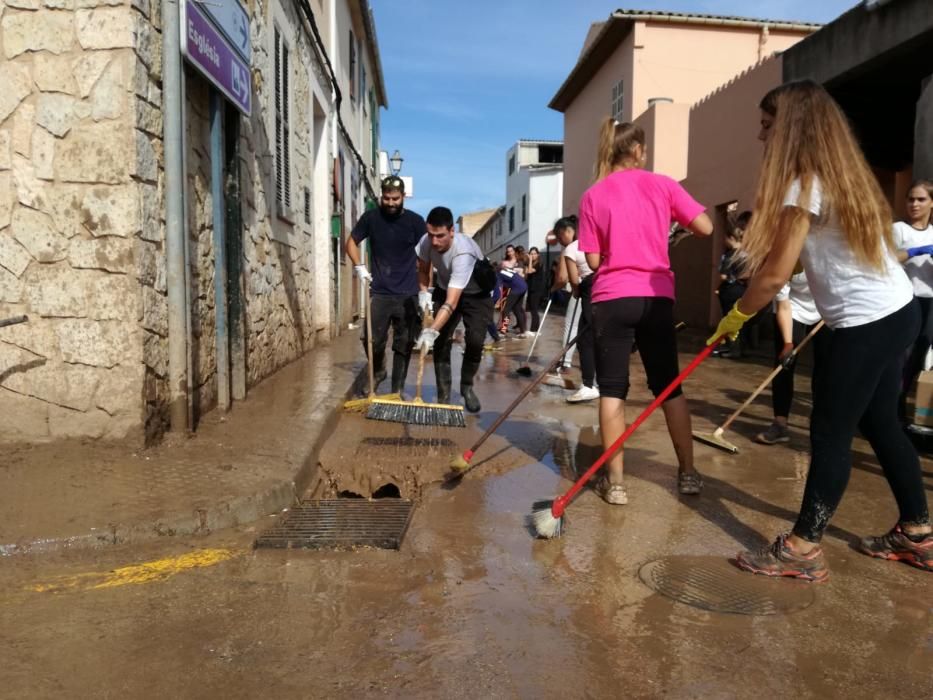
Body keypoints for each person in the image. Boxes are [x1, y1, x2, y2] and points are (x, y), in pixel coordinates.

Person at [710, 80, 931, 581]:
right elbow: (787, 266)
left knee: (829, 432)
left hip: (866, 323)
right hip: (897, 313)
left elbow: (774, 274)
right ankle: (918, 533)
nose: (762, 136)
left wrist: (737, 318)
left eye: (768, 126)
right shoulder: (841, 177)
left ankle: (803, 547)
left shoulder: (804, 183)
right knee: (879, 424)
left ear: (790, 129)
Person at [578, 119, 712, 506]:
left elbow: (591, 257)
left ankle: (616, 483)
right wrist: (670, 231)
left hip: (612, 297)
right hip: (655, 296)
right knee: (669, 385)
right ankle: (687, 472)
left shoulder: (594, 195)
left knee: (612, 388)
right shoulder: (664, 184)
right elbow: (703, 225)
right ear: (636, 150)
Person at [345, 176, 425, 395]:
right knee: (371, 339)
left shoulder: (415, 222)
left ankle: (397, 389)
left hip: (408, 293)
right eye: (387, 198)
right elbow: (351, 242)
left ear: (403, 197)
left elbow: (427, 255)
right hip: (380, 291)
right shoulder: (371, 218)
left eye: (395, 199)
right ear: (382, 195)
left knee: (404, 342)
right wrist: (359, 267)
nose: (390, 203)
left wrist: (427, 291)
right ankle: (379, 370)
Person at [414, 207, 494, 413]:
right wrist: (424, 292)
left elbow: (452, 302)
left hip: (476, 294)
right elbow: (423, 269)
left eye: (440, 236)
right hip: (444, 286)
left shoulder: (463, 252)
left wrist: (431, 330)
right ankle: (443, 396)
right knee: (441, 342)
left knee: (476, 341)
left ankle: (467, 388)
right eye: (431, 235)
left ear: (452, 231)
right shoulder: (426, 241)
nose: (434, 241)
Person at [754, 271, 828, 445]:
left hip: (827, 307)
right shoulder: (786, 263)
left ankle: (823, 426)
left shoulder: (828, 255)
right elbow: (783, 306)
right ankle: (780, 424)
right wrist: (788, 344)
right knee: (784, 365)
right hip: (792, 308)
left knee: (827, 368)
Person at [892, 180, 933, 421]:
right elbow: (884, 260)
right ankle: (894, 413)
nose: (914, 204)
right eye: (910, 199)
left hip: (930, 302)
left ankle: (902, 406)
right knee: (901, 357)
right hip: (905, 300)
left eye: (921, 199)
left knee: (920, 356)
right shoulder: (898, 230)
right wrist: (914, 252)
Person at [557, 219, 599, 403]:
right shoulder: (602, 241)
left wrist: (576, 291)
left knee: (585, 339)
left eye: (560, 235)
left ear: (568, 231)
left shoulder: (571, 248)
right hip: (613, 286)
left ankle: (589, 385)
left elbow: (571, 279)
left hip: (589, 286)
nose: (559, 239)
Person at [713, 212, 751, 358]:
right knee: (741, 321)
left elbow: (723, 276)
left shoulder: (730, 255)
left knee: (729, 320)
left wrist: (717, 288)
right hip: (743, 290)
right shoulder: (746, 254)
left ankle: (733, 349)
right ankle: (742, 348)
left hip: (730, 290)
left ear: (731, 238)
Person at [498, 267, 530, 337]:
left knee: (506, 310)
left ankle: (503, 331)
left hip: (517, 289)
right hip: (524, 286)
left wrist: (497, 301)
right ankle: (523, 331)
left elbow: (499, 289)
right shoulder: (506, 270)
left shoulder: (498, 275)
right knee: (517, 309)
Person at [525, 247, 546, 333]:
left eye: (534, 254)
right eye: (531, 254)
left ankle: (534, 329)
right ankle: (534, 329)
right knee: (532, 309)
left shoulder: (539, 264)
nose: (532, 256)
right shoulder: (531, 264)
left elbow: (529, 271)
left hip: (537, 289)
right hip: (531, 289)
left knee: (534, 309)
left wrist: (529, 260)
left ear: (538, 255)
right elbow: (526, 274)